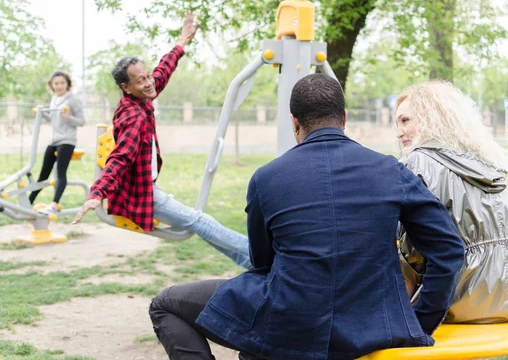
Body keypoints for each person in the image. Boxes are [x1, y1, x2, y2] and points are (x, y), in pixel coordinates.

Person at [148, 74, 465, 360]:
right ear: (344, 118)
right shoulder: (392, 171)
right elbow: (449, 251)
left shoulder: (266, 178)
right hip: (373, 325)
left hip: (288, 323)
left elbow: (263, 264)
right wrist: (420, 322)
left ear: (294, 122)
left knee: (164, 304)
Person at [72, 13, 250, 269]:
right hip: (142, 194)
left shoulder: (141, 97)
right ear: (126, 87)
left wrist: (182, 42)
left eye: (147, 76)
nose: (148, 82)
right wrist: (97, 192)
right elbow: (119, 158)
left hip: (145, 186)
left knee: (197, 225)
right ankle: (265, 257)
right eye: (140, 80)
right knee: (199, 222)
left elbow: (162, 72)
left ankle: (251, 262)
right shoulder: (134, 116)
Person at [394, 80, 508, 324]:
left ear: (433, 117)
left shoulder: (417, 163)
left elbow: (412, 248)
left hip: (460, 297)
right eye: (396, 123)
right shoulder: (489, 162)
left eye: (405, 120)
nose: (399, 132)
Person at [29, 71, 85, 214]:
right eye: (56, 83)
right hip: (54, 140)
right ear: (52, 85)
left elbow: (82, 121)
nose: (59, 86)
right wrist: (42, 113)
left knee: (60, 173)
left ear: (67, 84)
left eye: (62, 83)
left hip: (67, 140)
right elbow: (54, 120)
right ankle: (28, 202)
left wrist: (68, 117)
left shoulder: (72, 100)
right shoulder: (54, 99)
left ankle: (54, 204)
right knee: (43, 174)